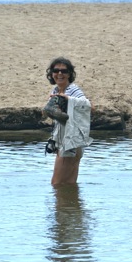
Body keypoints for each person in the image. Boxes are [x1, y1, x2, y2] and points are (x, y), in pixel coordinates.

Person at [42, 57, 93, 186]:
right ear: (51, 73)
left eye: (64, 71)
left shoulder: (73, 90)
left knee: (56, 183)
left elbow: (89, 106)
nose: (60, 74)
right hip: (65, 140)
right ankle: (72, 206)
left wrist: (69, 99)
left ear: (69, 74)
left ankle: (64, 206)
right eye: (56, 70)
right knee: (69, 183)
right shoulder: (55, 91)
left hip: (72, 141)